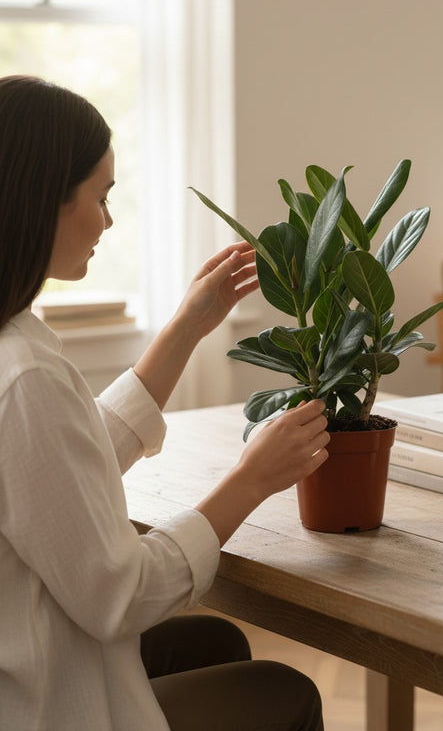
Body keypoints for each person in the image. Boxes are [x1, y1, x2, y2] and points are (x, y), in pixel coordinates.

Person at [0, 75, 330, 731]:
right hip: (41, 705)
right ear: (43, 200)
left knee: (216, 643)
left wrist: (188, 324)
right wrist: (251, 479)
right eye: (102, 196)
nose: (109, 219)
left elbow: (64, 465)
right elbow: (120, 596)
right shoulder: (23, 377)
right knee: (285, 692)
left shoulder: (16, 343)